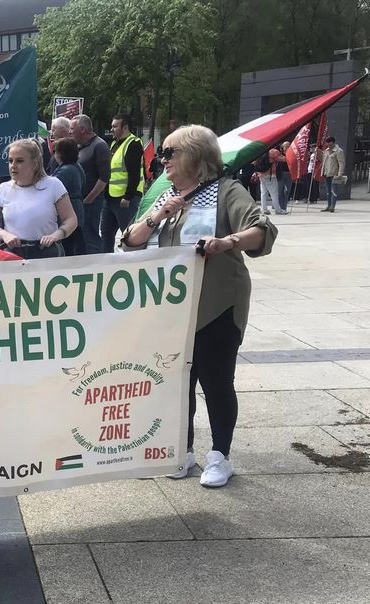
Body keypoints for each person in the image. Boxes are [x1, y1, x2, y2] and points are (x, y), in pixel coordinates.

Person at [122, 124, 277, 488]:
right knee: (178, 384)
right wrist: (158, 215)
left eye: (169, 153)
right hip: (173, 310)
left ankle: (220, 456)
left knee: (216, 381)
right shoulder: (166, 194)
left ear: (195, 155)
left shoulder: (226, 191)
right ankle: (183, 450)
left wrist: (228, 241)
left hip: (216, 303)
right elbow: (130, 241)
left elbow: (262, 230)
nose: (163, 160)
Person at [0, 138, 77, 260]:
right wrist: (4, 235)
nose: (13, 166)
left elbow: (71, 219)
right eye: (10, 161)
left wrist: (56, 235)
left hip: (47, 251)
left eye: (19, 161)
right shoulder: (3, 189)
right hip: (13, 253)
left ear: (34, 164)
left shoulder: (53, 185)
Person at [100, 113, 144, 253]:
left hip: (125, 200)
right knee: (106, 233)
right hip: (111, 197)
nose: (111, 129)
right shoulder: (115, 144)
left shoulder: (133, 144)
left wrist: (128, 196)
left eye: (115, 126)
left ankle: (133, 261)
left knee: (129, 236)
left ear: (125, 127)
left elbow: (134, 174)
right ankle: (106, 262)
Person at [71, 114, 110, 254]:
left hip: (91, 204)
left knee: (91, 239)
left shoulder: (99, 146)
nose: (70, 132)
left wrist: (88, 199)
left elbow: (104, 177)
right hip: (81, 203)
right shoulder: (80, 147)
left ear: (82, 129)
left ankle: (95, 264)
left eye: (72, 128)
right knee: (81, 240)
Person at [51, 137, 86, 256]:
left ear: (61, 153)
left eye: (55, 151)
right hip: (77, 207)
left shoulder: (64, 171)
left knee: (68, 245)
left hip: (68, 208)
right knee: (76, 241)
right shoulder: (76, 166)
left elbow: (52, 190)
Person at [255, 147, 284, 216]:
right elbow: (283, 159)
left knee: (263, 193)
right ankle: (278, 210)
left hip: (261, 175)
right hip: (270, 175)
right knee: (274, 193)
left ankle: (264, 209)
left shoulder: (262, 151)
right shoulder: (273, 151)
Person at [321, 136, 345, 213]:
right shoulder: (326, 151)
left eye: (330, 144)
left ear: (333, 143)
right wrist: (322, 172)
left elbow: (341, 163)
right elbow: (324, 162)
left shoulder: (339, 151)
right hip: (326, 173)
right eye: (328, 144)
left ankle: (332, 206)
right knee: (328, 191)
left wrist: (340, 174)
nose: (329, 146)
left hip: (334, 174)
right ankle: (328, 205)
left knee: (333, 191)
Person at [276, 142, 291, 212]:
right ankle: (280, 207)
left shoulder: (292, 154)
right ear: (283, 147)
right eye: (286, 146)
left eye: (289, 146)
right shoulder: (279, 154)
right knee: (280, 191)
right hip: (281, 174)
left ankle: (284, 207)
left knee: (287, 191)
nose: (288, 147)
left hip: (289, 174)